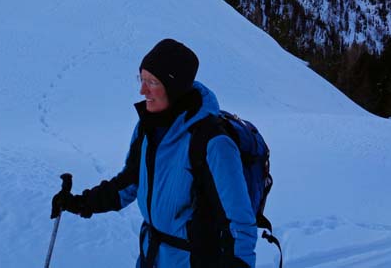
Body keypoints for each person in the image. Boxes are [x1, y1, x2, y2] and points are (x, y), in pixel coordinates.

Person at [51, 38, 257, 267]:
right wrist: (81, 203)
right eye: (141, 79)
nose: (142, 90)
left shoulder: (212, 142)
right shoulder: (148, 128)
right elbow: (130, 182)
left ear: (174, 88)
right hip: (152, 256)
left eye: (152, 82)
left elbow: (240, 224)